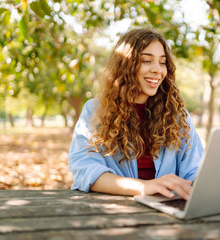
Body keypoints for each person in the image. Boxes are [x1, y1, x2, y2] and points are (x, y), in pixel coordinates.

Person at [68, 28, 204, 201]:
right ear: (125, 66)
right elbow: (85, 170)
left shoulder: (177, 114)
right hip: (115, 208)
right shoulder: (95, 110)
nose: (157, 70)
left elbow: (195, 169)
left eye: (162, 62)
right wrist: (144, 187)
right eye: (147, 60)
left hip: (169, 207)